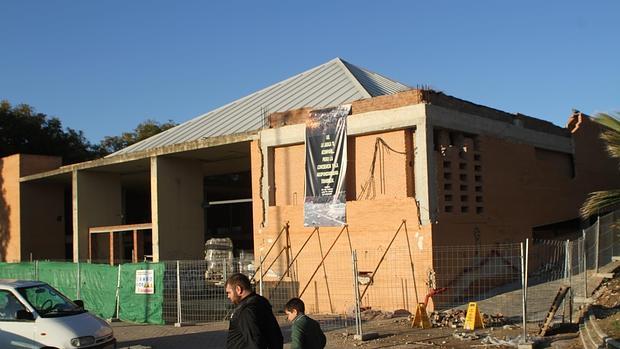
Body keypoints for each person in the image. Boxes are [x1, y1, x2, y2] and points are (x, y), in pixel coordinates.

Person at [225, 273, 283, 349]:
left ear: (238, 289)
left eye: (229, 292)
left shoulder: (245, 310)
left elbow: (254, 342)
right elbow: (276, 336)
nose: (228, 296)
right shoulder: (261, 302)